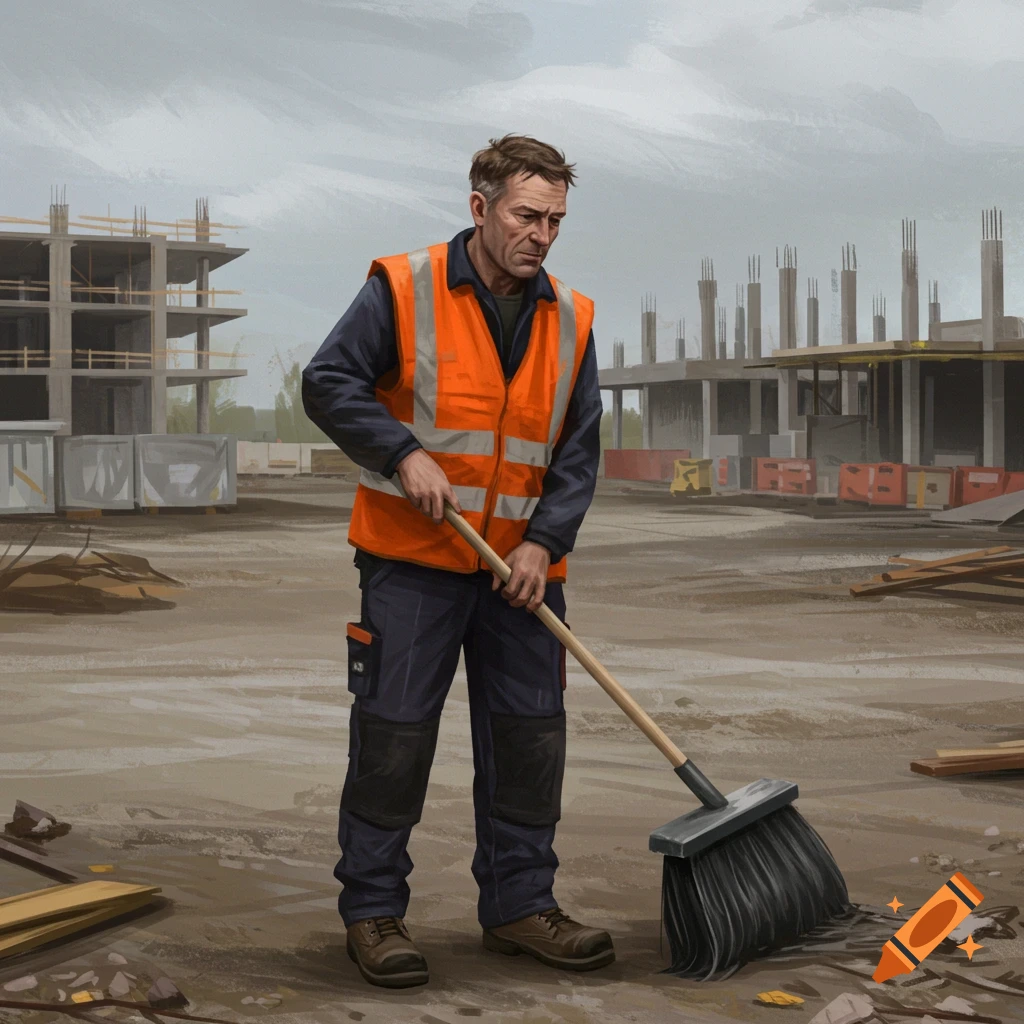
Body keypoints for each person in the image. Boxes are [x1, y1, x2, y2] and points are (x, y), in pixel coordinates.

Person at [301, 134, 607, 990]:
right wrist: (402, 452)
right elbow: (329, 381)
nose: (541, 234)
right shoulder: (402, 288)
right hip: (413, 564)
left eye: (554, 219)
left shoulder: (574, 317)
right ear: (479, 209)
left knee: (529, 744)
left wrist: (545, 544)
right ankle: (373, 913)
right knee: (393, 742)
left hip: (523, 577)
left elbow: (578, 453)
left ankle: (519, 906)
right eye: (525, 215)